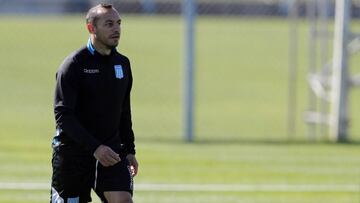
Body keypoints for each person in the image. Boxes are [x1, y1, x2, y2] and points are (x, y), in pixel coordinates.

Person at [51, 4, 138, 203]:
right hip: (73, 154)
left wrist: (129, 149)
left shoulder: (122, 64)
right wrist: (95, 147)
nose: (116, 29)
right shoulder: (73, 65)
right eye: (109, 24)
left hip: (111, 153)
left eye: (118, 23)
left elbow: (124, 110)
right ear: (91, 28)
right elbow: (63, 115)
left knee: (123, 200)